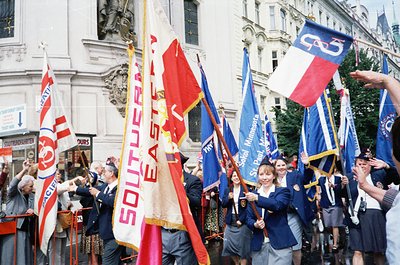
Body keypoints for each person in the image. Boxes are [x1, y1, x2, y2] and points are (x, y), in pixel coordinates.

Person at [349, 70, 400, 264]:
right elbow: (393, 198)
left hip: (375, 216)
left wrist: (388, 82)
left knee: (378, 252)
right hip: (359, 216)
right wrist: (389, 81)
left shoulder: (382, 174)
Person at [341, 151, 397, 265]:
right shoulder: (349, 177)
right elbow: (340, 194)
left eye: (364, 164)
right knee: (357, 251)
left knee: (378, 252)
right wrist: (342, 185)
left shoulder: (379, 174)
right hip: (355, 218)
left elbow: (396, 177)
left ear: (370, 165)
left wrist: (386, 166)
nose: (361, 167)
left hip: (376, 217)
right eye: (359, 164)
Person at [70, 159, 124, 265]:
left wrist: (98, 194)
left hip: (114, 233)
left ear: (112, 173)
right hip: (105, 232)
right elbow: (90, 191)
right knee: (115, 261)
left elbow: (112, 201)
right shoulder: (105, 186)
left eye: (105, 171)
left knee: (107, 261)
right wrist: (75, 188)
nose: (103, 173)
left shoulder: (119, 187)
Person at [245, 159, 297, 265]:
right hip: (259, 244)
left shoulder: (282, 191)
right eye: (261, 174)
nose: (264, 178)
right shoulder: (253, 195)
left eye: (268, 174)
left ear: (274, 176)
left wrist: (257, 198)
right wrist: (255, 224)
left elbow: (277, 205)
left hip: (280, 242)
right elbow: (248, 218)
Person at [161, 152, 202, 265]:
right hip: (163, 232)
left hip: (182, 233)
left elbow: (196, 201)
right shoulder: (161, 181)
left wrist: (179, 189)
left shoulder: (192, 180)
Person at [273, 153, 314, 265]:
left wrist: (306, 165)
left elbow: (307, 178)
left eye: (283, 165)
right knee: (281, 246)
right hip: (277, 217)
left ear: (286, 166)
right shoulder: (272, 180)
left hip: (293, 215)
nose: (281, 168)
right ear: (275, 168)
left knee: (296, 246)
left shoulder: (295, 176)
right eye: (278, 166)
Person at [0, 159, 35, 265]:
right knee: (11, 256)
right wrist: (24, 170)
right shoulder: (13, 194)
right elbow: (13, 183)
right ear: (23, 187)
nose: (32, 188)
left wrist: (33, 211)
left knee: (24, 256)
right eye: (30, 186)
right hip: (13, 229)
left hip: (25, 230)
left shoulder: (31, 196)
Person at [221, 170, 252, 265]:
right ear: (231, 178)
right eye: (234, 176)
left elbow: (249, 208)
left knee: (243, 249)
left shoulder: (246, 189)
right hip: (231, 221)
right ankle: (236, 262)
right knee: (228, 246)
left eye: (238, 175)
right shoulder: (228, 189)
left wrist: (242, 220)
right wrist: (228, 198)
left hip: (242, 221)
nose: (236, 177)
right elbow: (223, 204)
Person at [316, 164, 344, 252]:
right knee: (328, 225)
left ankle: (335, 244)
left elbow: (341, 191)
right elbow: (318, 190)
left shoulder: (338, 179)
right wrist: (318, 197)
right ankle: (337, 236)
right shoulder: (321, 179)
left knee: (335, 224)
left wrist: (334, 186)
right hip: (325, 204)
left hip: (336, 204)